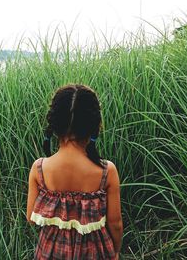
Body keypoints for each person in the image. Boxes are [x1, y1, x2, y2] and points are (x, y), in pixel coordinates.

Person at [26, 84, 123, 259]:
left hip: (50, 252)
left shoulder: (39, 169)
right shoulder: (106, 171)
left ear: (55, 125)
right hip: (96, 253)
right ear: (95, 126)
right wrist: (115, 252)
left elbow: (31, 218)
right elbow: (115, 224)